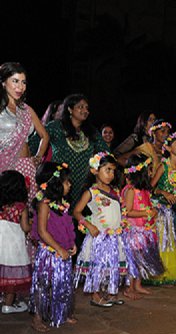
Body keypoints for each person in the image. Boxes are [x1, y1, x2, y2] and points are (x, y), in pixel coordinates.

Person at [30, 93, 109, 207]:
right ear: (70, 109)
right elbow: (35, 141)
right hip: (59, 183)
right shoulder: (56, 127)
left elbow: (106, 152)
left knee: (74, 219)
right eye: (80, 107)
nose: (85, 110)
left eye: (87, 108)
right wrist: (35, 158)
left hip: (81, 185)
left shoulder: (92, 132)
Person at [73, 152, 128, 307]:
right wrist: (89, 225)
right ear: (95, 170)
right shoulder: (91, 192)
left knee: (112, 266)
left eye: (113, 171)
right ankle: (95, 296)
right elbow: (76, 212)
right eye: (107, 170)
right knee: (97, 266)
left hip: (114, 237)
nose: (111, 174)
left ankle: (111, 293)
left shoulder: (115, 191)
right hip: (99, 237)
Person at [30, 162, 77, 331]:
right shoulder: (44, 204)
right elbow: (42, 232)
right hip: (49, 253)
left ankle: (62, 313)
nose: (70, 185)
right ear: (54, 184)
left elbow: (66, 227)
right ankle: (37, 317)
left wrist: (71, 244)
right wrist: (58, 248)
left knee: (63, 284)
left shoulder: (63, 204)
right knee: (44, 285)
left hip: (62, 252)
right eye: (66, 182)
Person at [0, 62, 49, 203]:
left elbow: (45, 136)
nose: (20, 87)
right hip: (4, 169)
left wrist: (38, 157)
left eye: (23, 82)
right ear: (3, 82)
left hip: (27, 168)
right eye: (15, 81)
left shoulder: (26, 110)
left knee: (28, 215)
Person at [146, 132, 176, 286]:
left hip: (169, 209)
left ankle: (169, 272)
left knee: (169, 240)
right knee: (162, 240)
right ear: (169, 148)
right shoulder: (163, 166)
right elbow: (150, 188)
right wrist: (163, 192)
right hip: (158, 209)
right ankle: (160, 273)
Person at [121, 154, 164, 298]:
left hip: (145, 230)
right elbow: (127, 212)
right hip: (134, 231)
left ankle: (138, 285)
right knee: (133, 260)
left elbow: (147, 205)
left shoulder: (144, 190)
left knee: (141, 260)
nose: (151, 173)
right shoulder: (131, 190)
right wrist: (146, 213)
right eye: (149, 170)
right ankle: (129, 288)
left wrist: (153, 212)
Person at [0, 171, 31, 315]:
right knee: (11, 276)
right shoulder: (21, 207)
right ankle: (8, 304)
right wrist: (32, 225)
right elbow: (25, 227)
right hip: (12, 247)